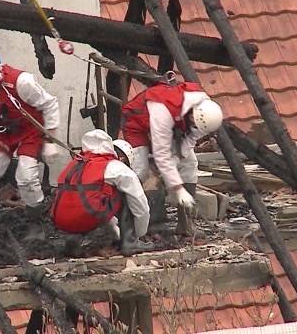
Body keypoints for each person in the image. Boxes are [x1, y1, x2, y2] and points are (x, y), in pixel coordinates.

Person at [0, 46, 60, 243]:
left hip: (28, 131)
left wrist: (50, 139)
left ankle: (36, 224)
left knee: (26, 176)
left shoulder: (21, 82)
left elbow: (50, 104)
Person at [121, 80, 223, 235]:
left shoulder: (204, 108)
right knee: (142, 171)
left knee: (190, 164)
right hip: (137, 124)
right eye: (193, 124)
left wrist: (177, 158)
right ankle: (141, 225)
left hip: (173, 125)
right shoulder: (162, 111)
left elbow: (191, 138)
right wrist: (178, 188)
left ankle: (185, 224)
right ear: (191, 115)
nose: (195, 128)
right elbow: (161, 155)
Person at [51, 129, 155, 256]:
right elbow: (139, 203)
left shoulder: (75, 164)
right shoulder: (115, 167)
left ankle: (73, 241)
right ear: (122, 158)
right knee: (125, 193)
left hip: (62, 221)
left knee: (87, 195)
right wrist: (139, 233)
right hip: (87, 215)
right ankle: (130, 242)